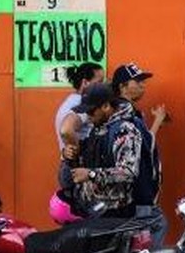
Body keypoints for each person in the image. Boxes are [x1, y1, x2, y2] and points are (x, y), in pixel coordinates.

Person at [61, 83, 142, 218]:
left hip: (114, 214)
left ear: (106, 106)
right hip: (93, 210)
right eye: (85, 112)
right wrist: (67, 155)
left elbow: (128, 172)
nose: (88, 116)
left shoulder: (125, 130)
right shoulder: (98, 128)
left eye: (91, 111)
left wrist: (91, 174)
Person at [111, 63, 169, 246]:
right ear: (122, 86)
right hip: (137, 192)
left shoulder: (126, 111)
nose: (143, 85)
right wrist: (158, 121)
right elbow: (145, 147)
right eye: (137, 81)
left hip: (136, 193)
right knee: (150, 233)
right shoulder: (126, 113)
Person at [55, 62, 104, 151]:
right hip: (78, 162)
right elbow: (66, 130)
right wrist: (79, 153)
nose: (102, 86)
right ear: (85, 82)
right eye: (99, 82)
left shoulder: (71, 100)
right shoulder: (82, 104)